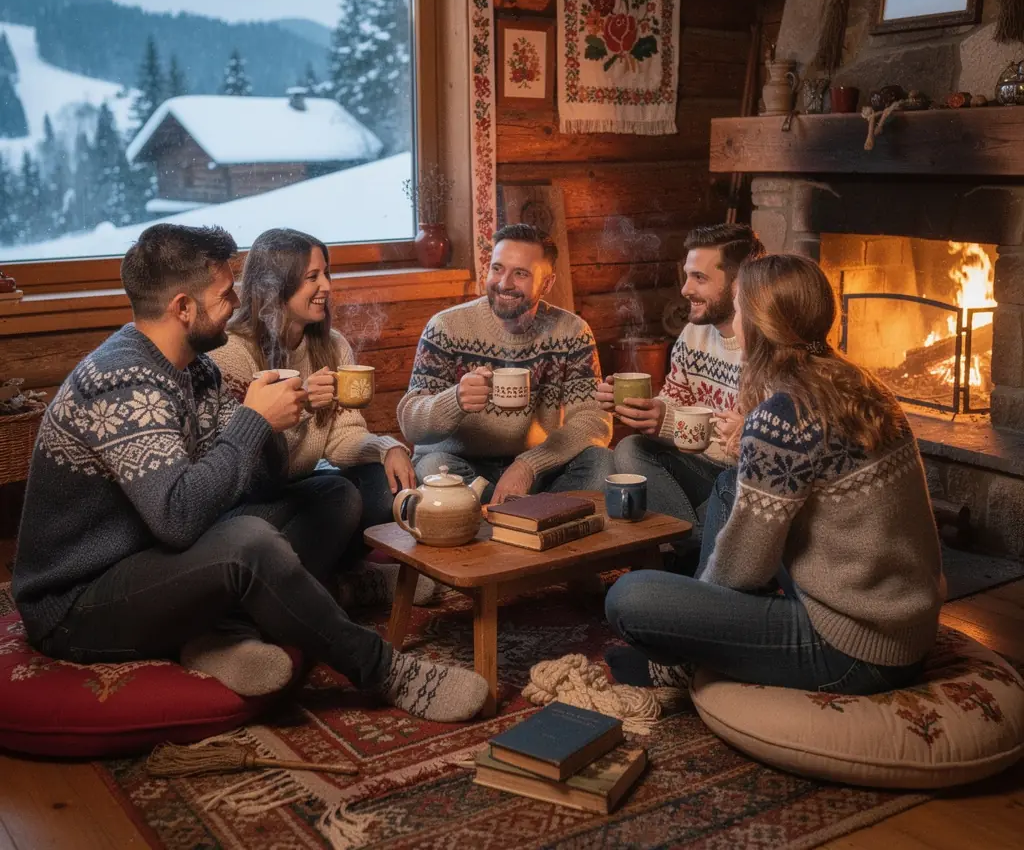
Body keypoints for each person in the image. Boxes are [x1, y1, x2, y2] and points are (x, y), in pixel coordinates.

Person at [12, 224, 487, 722]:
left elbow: (260, 483)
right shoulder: (123, 382)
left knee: (331, 494)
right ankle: (383, 670)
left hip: (153, 559)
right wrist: (252, 421)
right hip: (79, 601)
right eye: (224, 295)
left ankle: (219, 633)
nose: (238, 302)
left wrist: (277, 422)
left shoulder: (195, 369)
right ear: (182, 307)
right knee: (247, 540)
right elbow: (178, 517)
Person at [604, 253, 945, 695]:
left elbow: (744, 568)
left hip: (853, 649)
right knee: (728, 485)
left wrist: (699, 616)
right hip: (903, 627)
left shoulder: (783, 415)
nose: (735, 319)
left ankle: (682, 665)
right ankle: (712, 644)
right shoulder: (859, 383)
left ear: (761, 321)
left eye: (740, 306)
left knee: (629, 598)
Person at [210, 228, 434, 607]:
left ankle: (336, 583)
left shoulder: (332, 346)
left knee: (388, 485)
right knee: (339, 496)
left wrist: (386, 448)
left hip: (304, 488)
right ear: (274, 286)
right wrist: (302, 408)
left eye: (326, 274)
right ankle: (314, 594)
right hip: (246, 502)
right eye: (312, 277)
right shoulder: (232, 353)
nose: (327, 286)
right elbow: (247, 468)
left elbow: (341, 439)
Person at [398, 223, 613, 503]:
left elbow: (593, 420)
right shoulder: (445, 328)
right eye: (497, 268)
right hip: (462, 467)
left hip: (538, 470)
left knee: (601, 463)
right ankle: (536, 516)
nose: (504, 283)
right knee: (430, 469)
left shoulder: (572, 332)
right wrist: (456, 400)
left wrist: (529, 465)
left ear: (547, 283)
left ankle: (507, 516)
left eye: (520, 273)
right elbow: (411, 424)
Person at [600, 223, 764, 550]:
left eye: (699, 278)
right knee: (630, 449)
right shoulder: (693, 334)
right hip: (701, 468)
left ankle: (681, 547)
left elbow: (762, 448)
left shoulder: (764, 345)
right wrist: (650, 415)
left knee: (727, 491)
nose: (685, 290)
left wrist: (671, 421)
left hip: (745, 479)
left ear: (739, 283)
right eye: (687, 275)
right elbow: (675, 407)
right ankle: (691, 543)